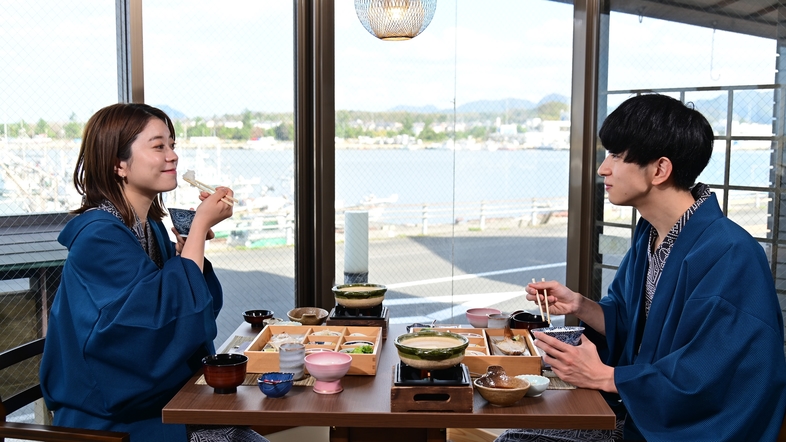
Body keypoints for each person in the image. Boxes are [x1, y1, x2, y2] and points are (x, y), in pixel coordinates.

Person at [496, 94, 786, 442]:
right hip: (639, 413)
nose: (603, 168)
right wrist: (581, 306)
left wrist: (607, 377)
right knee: (516, 434)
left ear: (660, 170)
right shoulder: (651, 234)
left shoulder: (732, 254)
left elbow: (713, 376)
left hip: (682, 431)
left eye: (617, 156)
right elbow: (638, 329)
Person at [40, 103, 267, 442]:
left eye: (172, 145)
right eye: (159, 146)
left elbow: (183, 312)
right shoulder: (98, 236)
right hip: (110, 416)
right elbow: (154, 324)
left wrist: (190, 246)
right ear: (119, 163)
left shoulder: (151, 228)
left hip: (160, 399)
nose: (172, 155)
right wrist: (201, 224)